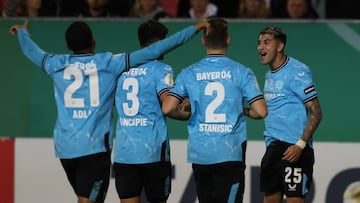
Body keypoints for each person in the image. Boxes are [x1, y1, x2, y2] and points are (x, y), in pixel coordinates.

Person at [9, 17, 208, 203]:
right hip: (97, 150)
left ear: (68, 46)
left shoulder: (56, 64)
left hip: (68, 150)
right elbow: (156, 52)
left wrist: (22, 33)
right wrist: (194, 28)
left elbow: (32, 52)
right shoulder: (111, 63)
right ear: (93, 41)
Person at [162, 17, 268, 203]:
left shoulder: (189, 72)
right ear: (228, 40)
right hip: (230, 153)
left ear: (203, 41)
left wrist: (187, 114)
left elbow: (168, 107)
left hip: (201, 154)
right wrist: (240, 110)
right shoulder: (241, 72)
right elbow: (261, 112)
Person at [113, 20, 180, 203]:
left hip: (124, 153)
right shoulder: (161, 69)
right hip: (153, 152)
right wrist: (186, 110)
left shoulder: (120, 68)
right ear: (159, 43)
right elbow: (168, 104)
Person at [257, 26, 322, 203]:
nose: (260, 47)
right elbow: (265, 112)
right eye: (259, 43)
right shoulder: (269, 75)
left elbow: (316, 112)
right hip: (272, 147)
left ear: (280, 46)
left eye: (266, 42)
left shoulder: (298, 71)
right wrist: (241, 109)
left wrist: (300, 145)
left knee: (294, 200)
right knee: (270, 199)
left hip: (294, 148)